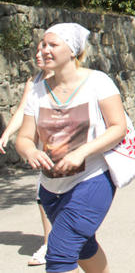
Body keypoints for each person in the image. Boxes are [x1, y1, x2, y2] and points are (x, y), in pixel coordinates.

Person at [16, 23, 127, 273]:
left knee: (59, 255)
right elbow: (23, 138)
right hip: (51, 190)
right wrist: (31, 151)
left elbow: (118, 127)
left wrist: (82, 152)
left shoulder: (98, 82)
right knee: (84, 248)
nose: (44, 49)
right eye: (42, 44)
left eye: (52, 45)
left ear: (73, 51)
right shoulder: (37, 91)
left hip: (92, 181)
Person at [1, 41, 54, 266]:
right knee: (44, 195)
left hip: (68, 145)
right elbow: (23, 110)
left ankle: (68, 239)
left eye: (42, 51)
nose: (37, 55)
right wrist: (7, 134)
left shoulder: (72, 80)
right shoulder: (33, 81)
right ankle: (50, 242)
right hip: (43, 148)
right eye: (36, 51)